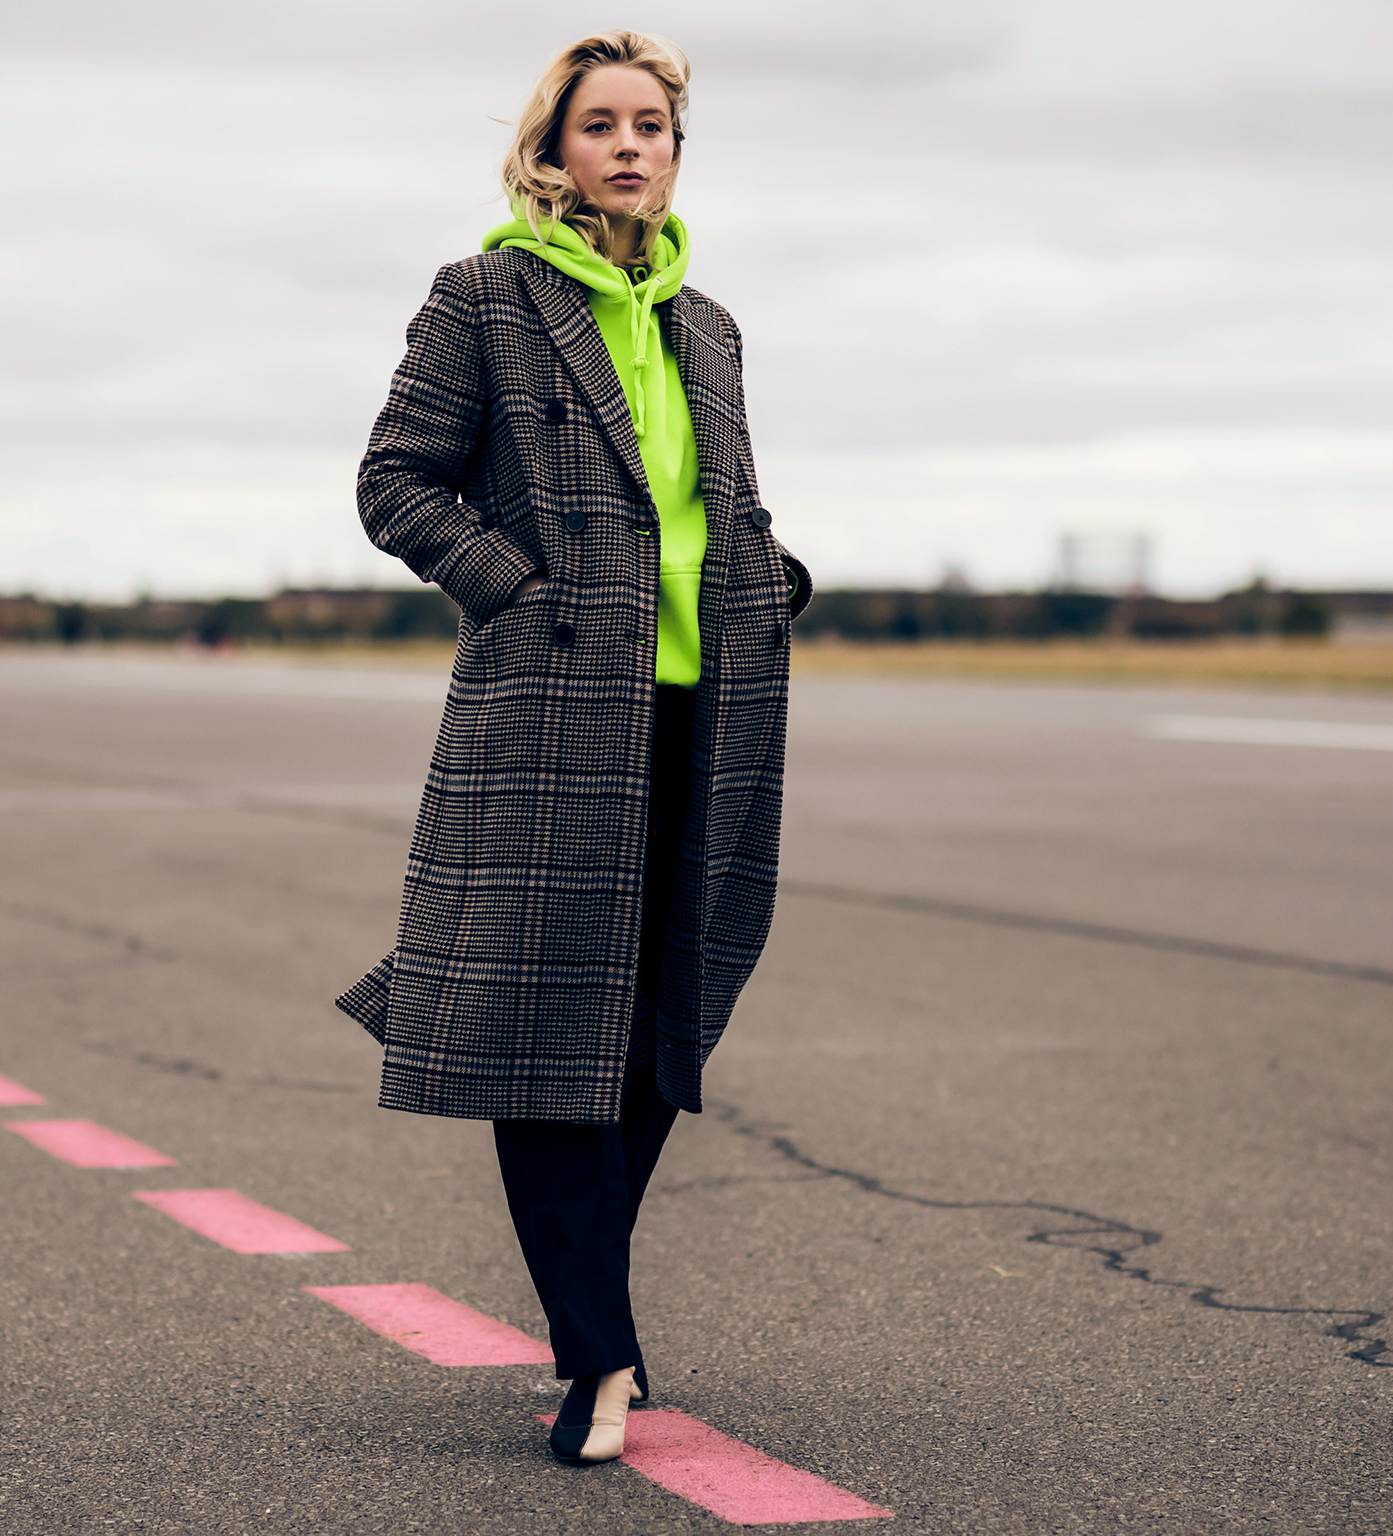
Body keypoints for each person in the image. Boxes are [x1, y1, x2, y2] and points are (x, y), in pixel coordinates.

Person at [335, 28, 811, 1466]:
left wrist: (773, 578)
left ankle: (591, 1315)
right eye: (600, 124)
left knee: (664, 1021)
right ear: (550, 150)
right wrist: (517, 590)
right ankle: (598, 1350)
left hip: (709, 712)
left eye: (651, 125)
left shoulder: (708, 325)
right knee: (547, 1036)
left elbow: (717, 502)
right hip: (551, 711)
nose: (628, 146)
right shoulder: (484, 296)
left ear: (677, 150)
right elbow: (395, 482)